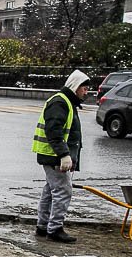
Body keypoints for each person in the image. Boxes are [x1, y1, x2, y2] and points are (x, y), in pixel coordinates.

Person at [31, 70, 91, 244]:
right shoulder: (60, 102)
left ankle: (43, 227)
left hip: (53, 154)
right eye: (84, 89)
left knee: (51, 190)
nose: (86, 93)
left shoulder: (67, 102)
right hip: (54, 155)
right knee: (63, 190)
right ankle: (55, 229)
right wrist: (64, 155)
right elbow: (54, 131)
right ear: (74, 86)